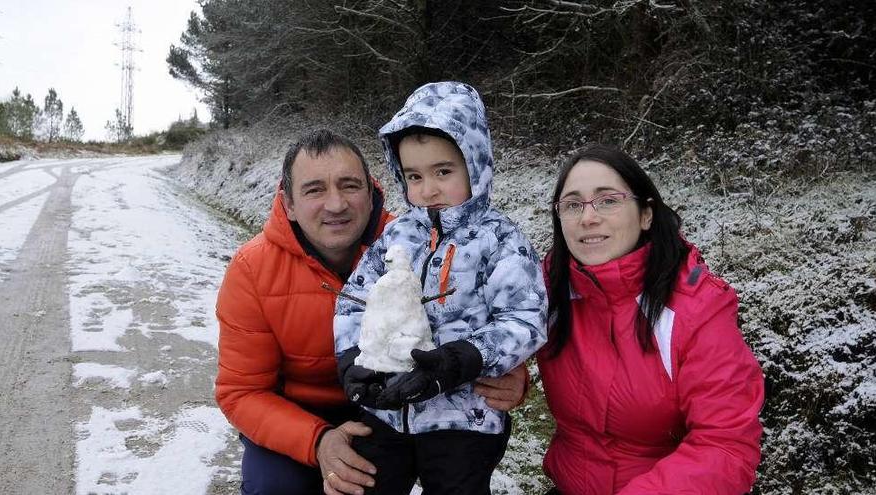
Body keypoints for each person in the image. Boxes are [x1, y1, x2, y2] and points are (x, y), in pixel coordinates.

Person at [214, 128, 527, 495]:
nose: (336, 204)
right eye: (314, 189)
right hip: (301, 413)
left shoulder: (417, 243)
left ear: (372, 190)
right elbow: (242, 392)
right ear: (289, 204)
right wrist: (317, 441)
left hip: (399, 401)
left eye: (349, 185)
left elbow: (479, 319)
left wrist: (511, 371)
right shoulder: (252, 269)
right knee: (275, 487)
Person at [334, 81, 548, 495]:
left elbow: (525, 319)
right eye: (414, 176)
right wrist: (350, 358)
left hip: (463, 417)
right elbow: (354, 302)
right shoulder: (396, 235)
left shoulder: (500, 239)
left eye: (443, 172)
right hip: (389, 408)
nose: (427, 190)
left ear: (476, 164)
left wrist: (462, 358)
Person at [538, 144, 764, 494]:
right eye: (572, 204)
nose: (588, 217)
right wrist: (511, 374)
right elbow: (498, 331)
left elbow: (725, 446)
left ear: (646, 214)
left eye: (608, 200)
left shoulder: (697, 310)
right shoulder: (548, 288)